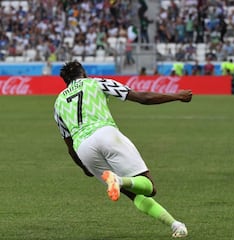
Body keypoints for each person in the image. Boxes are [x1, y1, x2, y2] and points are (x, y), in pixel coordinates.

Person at [53, 61, 191, 238]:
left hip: (83, 148)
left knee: (134, 195)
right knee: (149, 188)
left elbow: (69, 145)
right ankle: (119, 180)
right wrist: (176, 96)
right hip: (105, 134)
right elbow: (143, 98)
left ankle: (175, 225)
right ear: (84, 73)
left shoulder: (58, 104)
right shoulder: (96, 82)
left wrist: (83, 167)